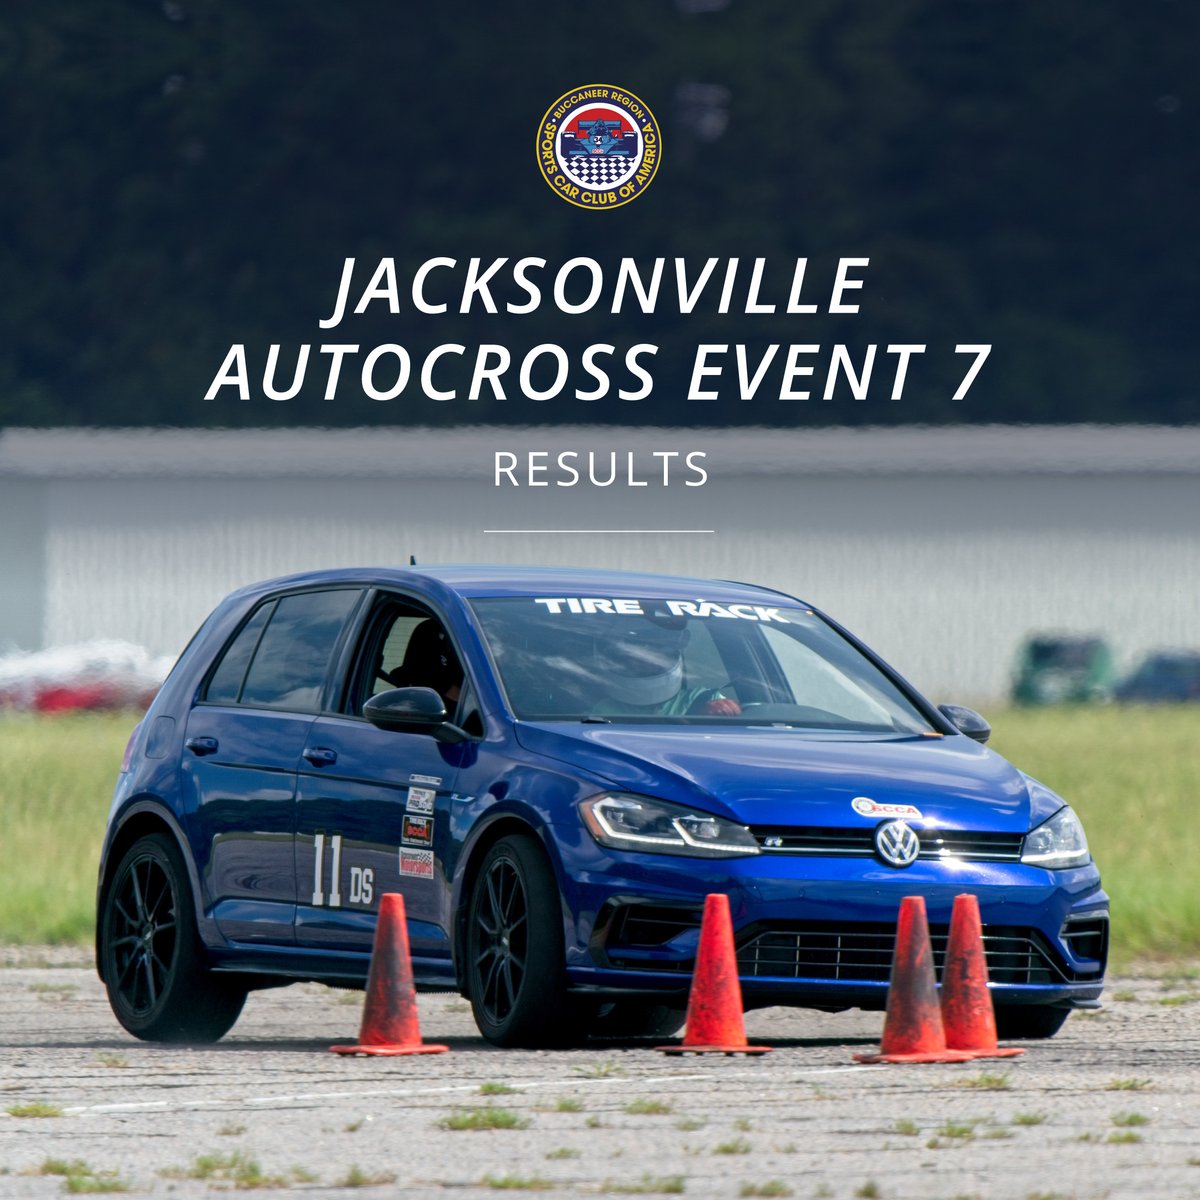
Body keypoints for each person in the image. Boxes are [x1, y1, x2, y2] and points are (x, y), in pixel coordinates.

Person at [593, 616, 741, 717]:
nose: (645, 652)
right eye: (636, 642)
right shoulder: (604, 710)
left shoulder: (705, 699)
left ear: (681, 642)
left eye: (657, 643)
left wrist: (725, 710)